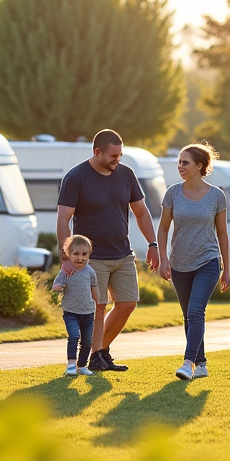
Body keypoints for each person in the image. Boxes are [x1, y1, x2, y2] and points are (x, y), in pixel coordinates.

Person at [56, 129, 160, 373]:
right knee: (98, 307)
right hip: (92, 259)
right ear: (97, 152)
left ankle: (99, 352)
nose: (118, 160)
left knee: (128, 303)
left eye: (120, 155)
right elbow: (63, 220)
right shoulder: (77, 177)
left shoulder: (126, 174)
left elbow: (142, 212)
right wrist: (66, 258)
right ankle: (96, 356)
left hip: (123, 254)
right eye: (113, 155)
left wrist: (153, 244)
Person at [157, 143, 230, 381]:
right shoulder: (173, 193)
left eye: (185, 162)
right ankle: (201, 364)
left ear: (200, 166)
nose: (180, 166)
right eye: (179, 162)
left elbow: (222, 234)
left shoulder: (217, 196)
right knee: (188, 315)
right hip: (179, 262)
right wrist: (163, 259)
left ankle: (187, 363)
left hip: (208, 261)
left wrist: (226, 269)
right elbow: (163, 229)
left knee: (196, 311)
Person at [51, 235, 98, 377]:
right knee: (74, 336)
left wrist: (100, 302)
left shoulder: (90, 272)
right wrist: (58, 287)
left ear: (89, 254)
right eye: (76, 254)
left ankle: (82, 366)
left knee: (87, 340)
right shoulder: (66, 272)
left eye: (84, 254)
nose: (80, 258)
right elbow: (54, 286)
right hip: (71, 312)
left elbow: (94, 288)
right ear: (68, 254)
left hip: (88, 312)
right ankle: (71, 364)